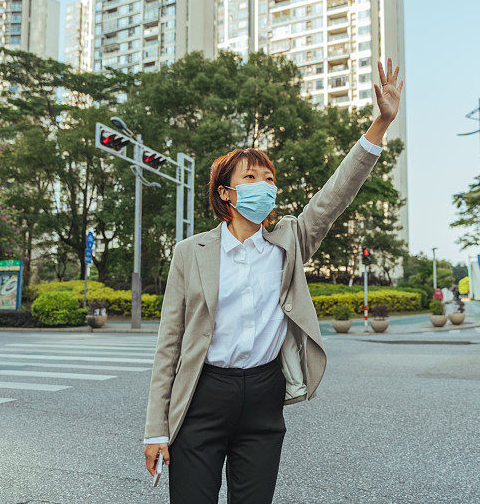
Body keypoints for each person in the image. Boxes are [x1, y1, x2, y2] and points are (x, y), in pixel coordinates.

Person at [143, 58, 404, 503]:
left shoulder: (290, 241)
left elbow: (336, 194)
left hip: (263, 395)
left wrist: (380, 123)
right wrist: (155, 429)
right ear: (225, 193)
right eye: (251, 177)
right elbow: (169, 343)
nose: (264, 185)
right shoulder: (191, 252)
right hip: (203, 394)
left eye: (269, 179)